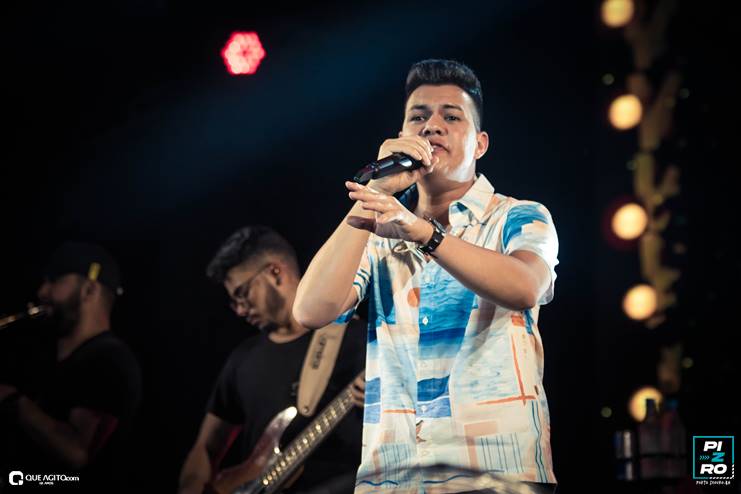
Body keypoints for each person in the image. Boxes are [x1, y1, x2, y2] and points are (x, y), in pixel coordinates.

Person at [293, 59, 559, 493]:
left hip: (495, 477)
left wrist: (423, 232)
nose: (432, 126)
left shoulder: (518, 216)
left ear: (480, 144)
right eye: (418, 117)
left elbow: (525, 286)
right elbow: (310, 310)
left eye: (451, 117)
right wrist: (375, 193)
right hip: (392, 480)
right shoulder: (378, 232)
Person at [178, 226, 367, 494]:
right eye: (233, 302)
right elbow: (205, 448)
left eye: (242, 293)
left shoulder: (358, 337)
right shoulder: (243, 359)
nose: (239, 310)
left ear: (275, 272)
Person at [0, 241, 142, 493]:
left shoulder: (110, 361)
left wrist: (11, 400)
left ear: (89, 289)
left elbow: (77, 453)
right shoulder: (51, 359)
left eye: (54, 281)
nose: (42, 291)